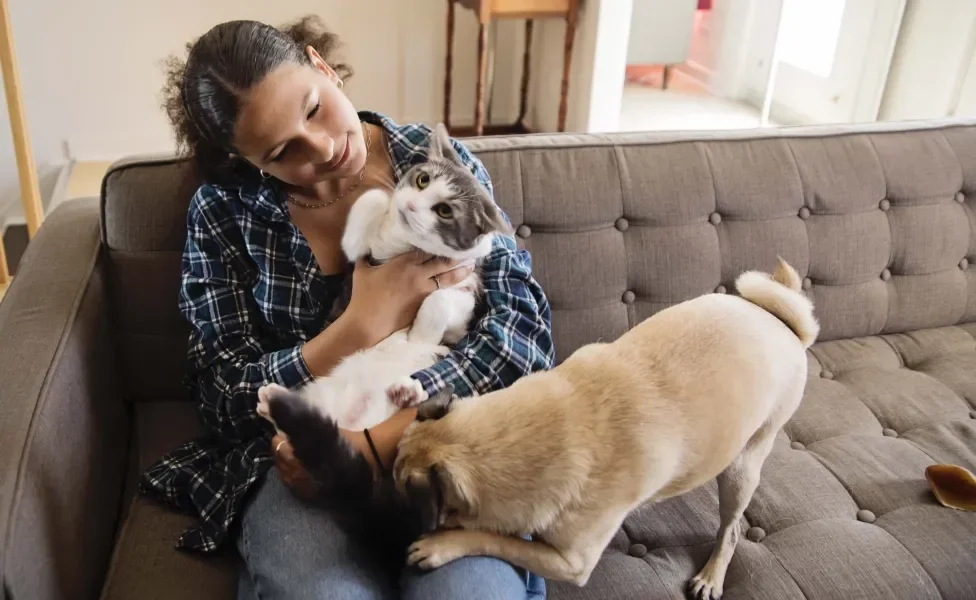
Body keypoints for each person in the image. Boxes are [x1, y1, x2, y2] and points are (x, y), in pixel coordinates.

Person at [139, 15, 554, 600]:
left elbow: (523, 335)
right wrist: (360, 325)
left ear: (323, 67)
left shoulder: (433, 160)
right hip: (302, 467)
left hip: (449, 441)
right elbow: (221, 393)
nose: (327, 149)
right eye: (285, 152)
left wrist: (377, 442)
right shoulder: (223, 213)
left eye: (314, 109)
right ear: (247, 160)